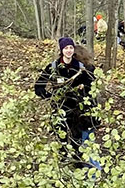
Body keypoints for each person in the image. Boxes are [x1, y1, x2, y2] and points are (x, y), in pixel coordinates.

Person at [34, 36, 100, 168]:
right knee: (63, 141)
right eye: (66, 48)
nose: (69, 50)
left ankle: (80, 169)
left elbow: (91, 87)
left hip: (78, 112)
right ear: (61, 50)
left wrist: (82, 93)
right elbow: (38, 87)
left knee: (77, 142)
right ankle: (64, 169)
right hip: (61, 111)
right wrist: (51, 96)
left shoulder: (82, 67)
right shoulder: (53, 67)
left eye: (71, 48)